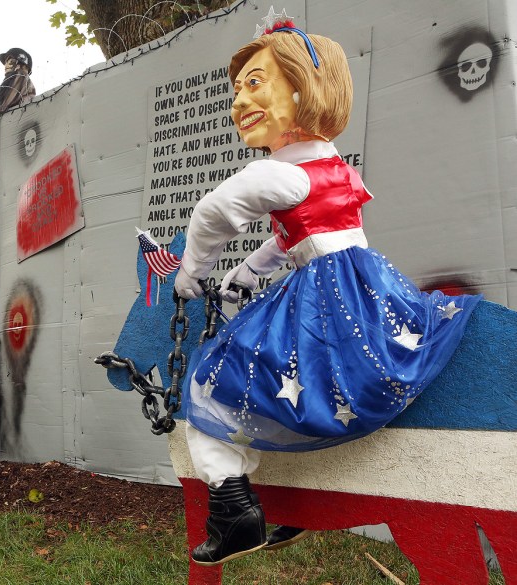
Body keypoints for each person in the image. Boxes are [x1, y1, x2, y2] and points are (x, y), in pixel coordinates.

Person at [171, 14, 482, 566]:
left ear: (305, 88)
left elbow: (210, 214)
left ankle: (233, 508)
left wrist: (191, 274)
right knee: (306, 386)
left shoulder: (276, 175)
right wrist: (247, 275)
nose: (239, 101)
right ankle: (299, 503)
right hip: (365, 283)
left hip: (327, 295)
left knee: (211, 383)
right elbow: (307, 236)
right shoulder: (333, 168)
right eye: (238, 89)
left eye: (256, 83)